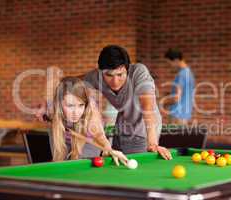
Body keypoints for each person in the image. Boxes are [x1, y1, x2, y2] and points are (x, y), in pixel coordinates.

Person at [37, 45, 172, 160]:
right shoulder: (95, 76)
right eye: (109, 75)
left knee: (134, 168)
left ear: (128, 69)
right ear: (101, 72)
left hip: (144, 129)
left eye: (120, 75)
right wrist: (47, 102)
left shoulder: (139, 72)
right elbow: (68, 83)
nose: (115, 81)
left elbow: (148, 108)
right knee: (115, 161)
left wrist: (153, 142)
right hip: (121, 124)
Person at [49, 76, 127, 165]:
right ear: (58, 104)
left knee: (80, 163)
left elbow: (99, 135)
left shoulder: (90, 110)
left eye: (81, 105)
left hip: (87, 140)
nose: (76, 112)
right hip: (64, 138)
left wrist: (109, 149)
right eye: (70, 106)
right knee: (60, 162)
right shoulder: (52, 109)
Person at [164, 48, 195, 125]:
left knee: (172, 137)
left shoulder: (181, 75)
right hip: (185, 115)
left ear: (176, 60)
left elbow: (176, 98)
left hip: (177, 115)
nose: (170, 65)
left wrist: (162, 103)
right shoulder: (189, 73)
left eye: (169, 62)